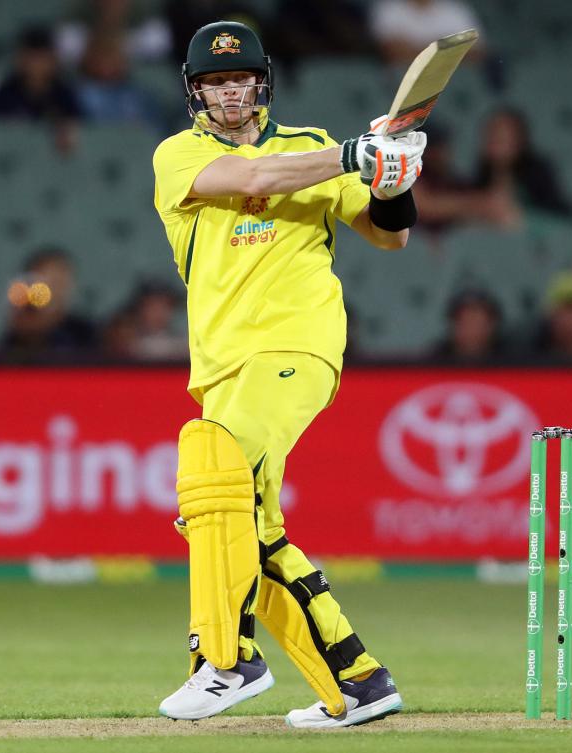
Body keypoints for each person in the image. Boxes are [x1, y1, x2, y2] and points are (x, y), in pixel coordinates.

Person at [152, 21, 426, 728]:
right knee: (246, 523)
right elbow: (249, 178)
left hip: (298, 345)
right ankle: (356, 681)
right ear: (195, 93)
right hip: (221, 364)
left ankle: (225, 658)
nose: (229, 93)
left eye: (239, 79)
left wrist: (393, 181)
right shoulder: (178, 155)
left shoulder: (307, 146)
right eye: (214, 83)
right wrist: (355, 153)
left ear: (261, 82)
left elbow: (391, 234)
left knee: (213, 474)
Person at [472, 107, 572, 223]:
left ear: (519, 140)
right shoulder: (480, 177)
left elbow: (561, 216)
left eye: (504, 136)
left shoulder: (537, 173)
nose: (496, 142)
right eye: (492, 134)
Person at [0, 248, 96, 362]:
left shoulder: (85, 332)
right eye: (47, 281)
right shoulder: (18, 325)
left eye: (59, 282)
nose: (55, 290)